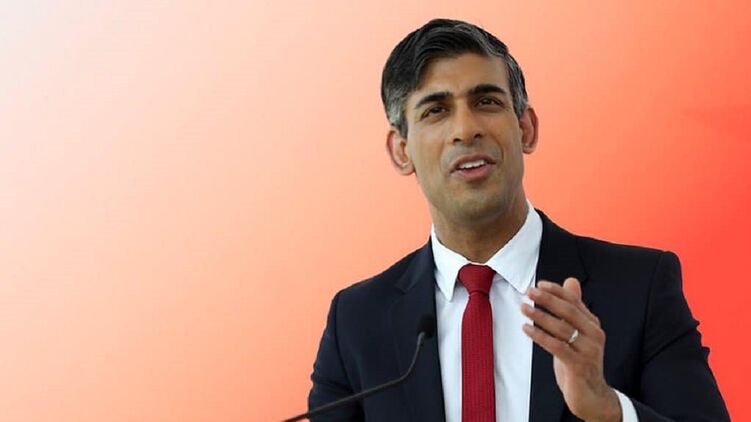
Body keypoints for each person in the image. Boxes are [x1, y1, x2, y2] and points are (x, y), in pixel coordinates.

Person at [307, 18, 729, 421]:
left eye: (486, 102)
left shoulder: (639, 287)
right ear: (402, 152)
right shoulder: (356, 322)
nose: (466, 129)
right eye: (436, 111)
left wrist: (609, 410)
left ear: (526, 128)